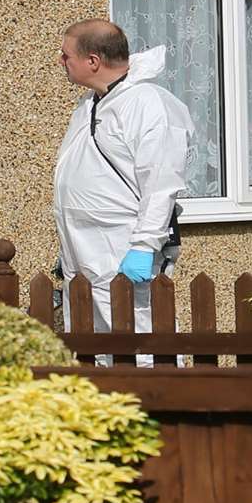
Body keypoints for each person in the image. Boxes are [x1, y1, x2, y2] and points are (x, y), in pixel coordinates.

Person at [52, 18, 192, 341]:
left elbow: (161, 185)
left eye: (66, 55)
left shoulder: (148, 105)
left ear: (93, 61)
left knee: (138, 340)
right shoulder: (92, 103)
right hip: (82, 249)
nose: (61, 62)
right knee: (90, 341)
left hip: (123, 247)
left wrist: (144, 247)